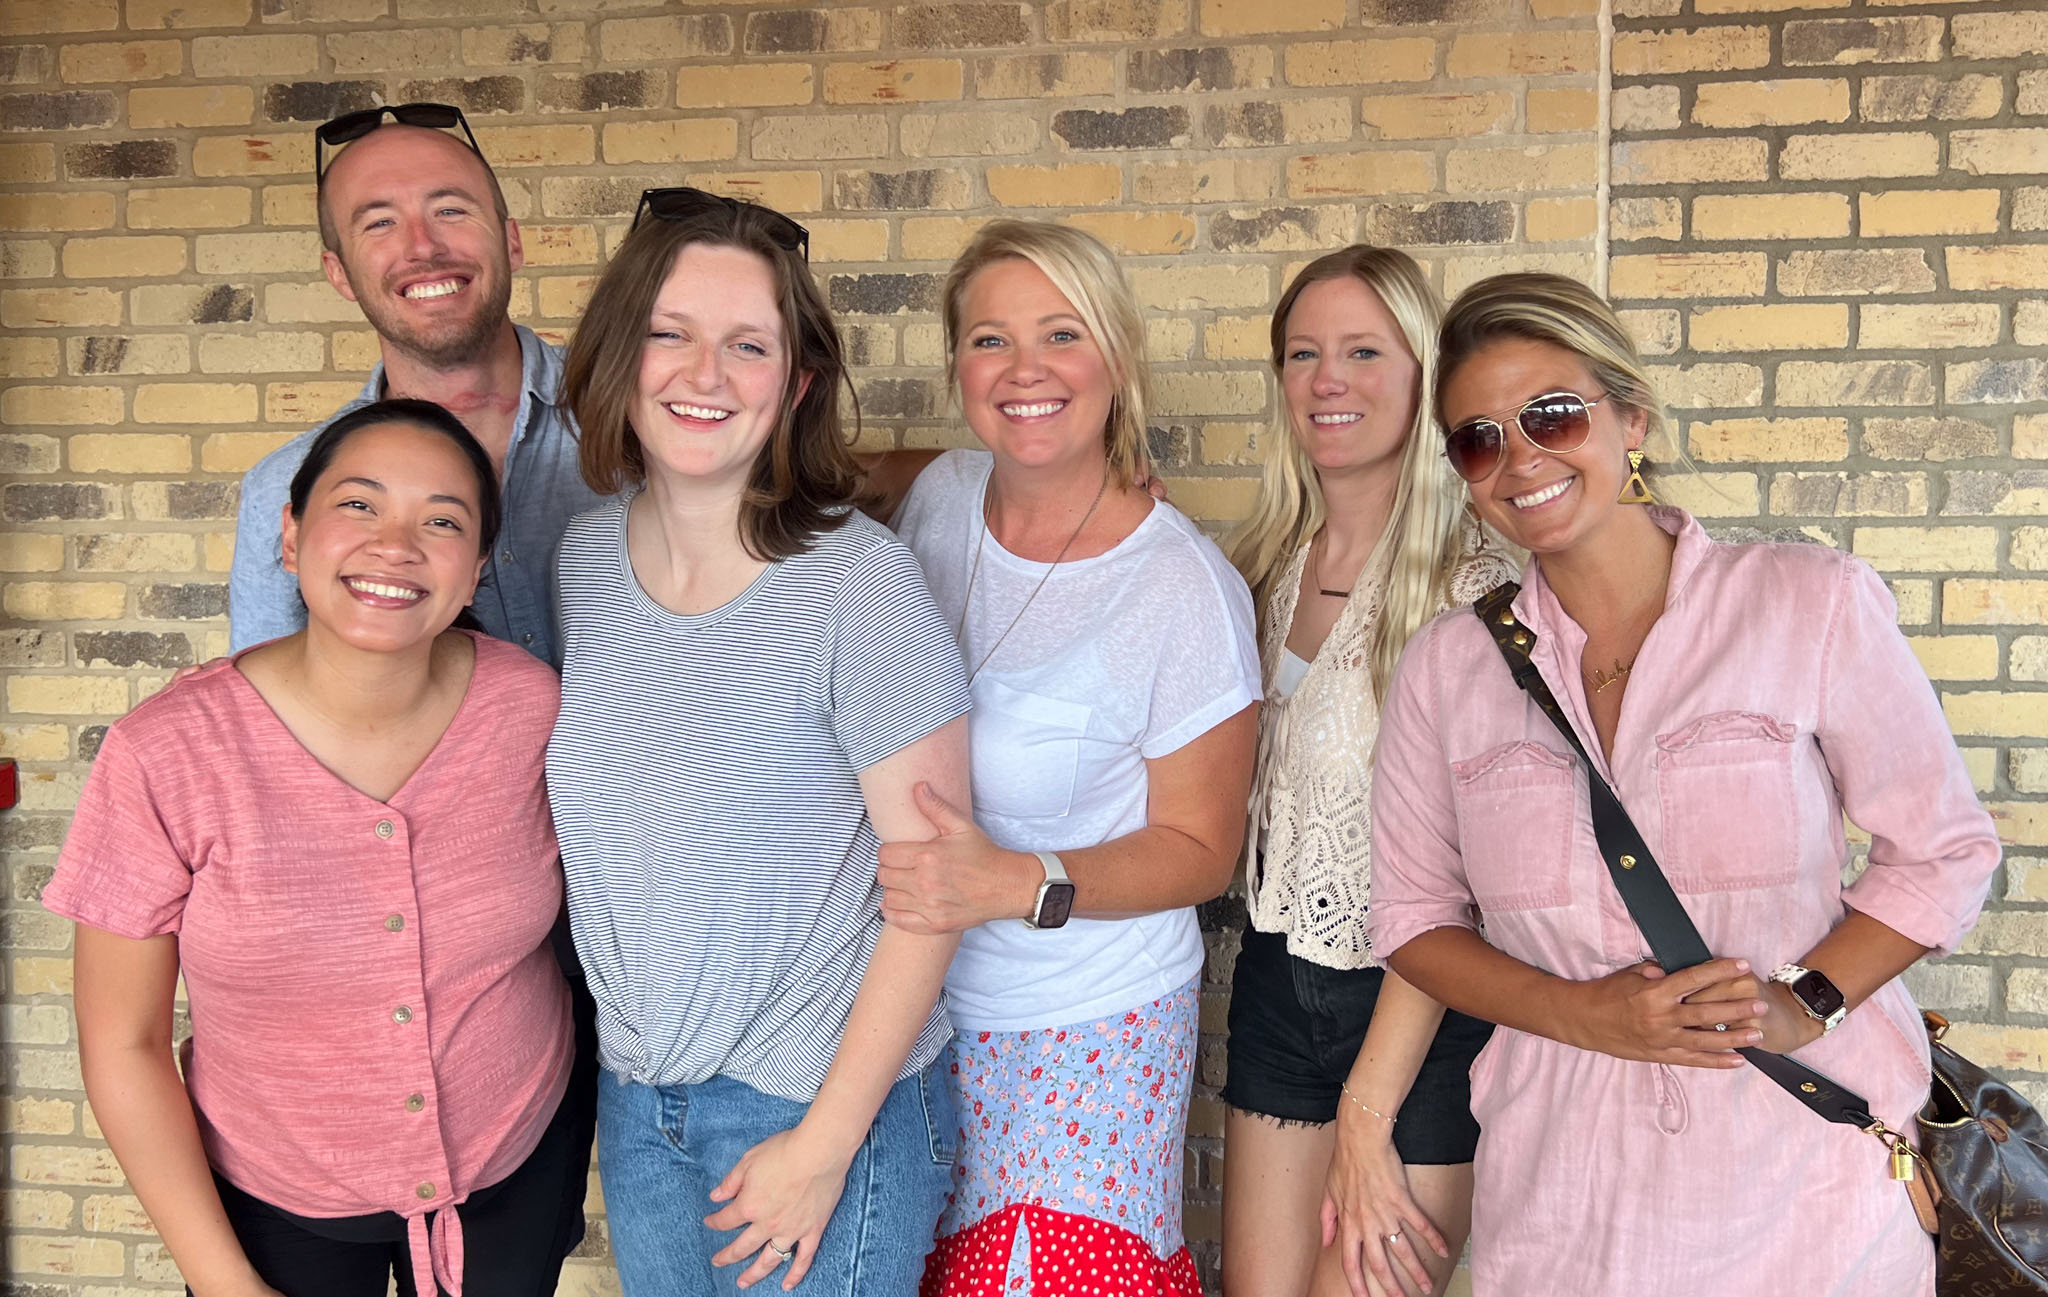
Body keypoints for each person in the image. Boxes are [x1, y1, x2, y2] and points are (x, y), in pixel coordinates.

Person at [1365, 272, 2000, 1296]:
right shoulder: (1447, 668)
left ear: (1630, 420)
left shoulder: (1804, 602)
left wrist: (1803, 1001)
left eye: (1552, 415)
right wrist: (1583, 1015)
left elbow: (1942, 849)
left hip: (1805, 1192)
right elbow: (1410, 918)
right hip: (1564, 1201)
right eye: (1478, 438)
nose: (1518, 457)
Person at [51, 400, 584, 1297]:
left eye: (442, 520)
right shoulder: (165, 754)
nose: (397, 544)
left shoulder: (530, 707)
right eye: (360, 505)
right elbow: (124, 1041)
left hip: (514, 1167)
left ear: (477, 569)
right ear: (291, 536)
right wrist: (226, 1283)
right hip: (274, 1202)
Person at [546, 189, 972, 1297]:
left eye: (747, 346)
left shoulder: (856, 585)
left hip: (819, 1103)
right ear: (616, 355)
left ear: (792, 386)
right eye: (669, 334)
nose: (703, 374)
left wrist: (823, 1146)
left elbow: (934, 896)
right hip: (641, 1104)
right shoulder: (581, 566)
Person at [876, 220, 1261, 1297]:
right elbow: (804, 474)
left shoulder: (1180, 589)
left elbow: (1198, 849)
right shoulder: (934, 499)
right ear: (956, 367)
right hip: (913, 1008)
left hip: (1082, 1023)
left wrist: (1015, 880)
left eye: (1060, 333)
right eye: (989, 340)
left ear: (1118, 359)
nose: (1024, 369)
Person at [1220, 247, 1516, 1297]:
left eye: (1360, 351)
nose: (1325, 379)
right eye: (1302, 354)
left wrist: (1365, 1112)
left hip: (1419, 1016)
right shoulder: (1264, 565)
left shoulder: (1474, 590)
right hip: (1273, 985)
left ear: (1421, 376)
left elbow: (1469, 887)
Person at [230, 103, 604, 663]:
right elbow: (269, 712)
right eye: (379, 222)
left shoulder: (642, 411)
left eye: (450, 210)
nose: (423, 247)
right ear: (339, 274)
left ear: (513, 243)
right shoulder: (283, 486)